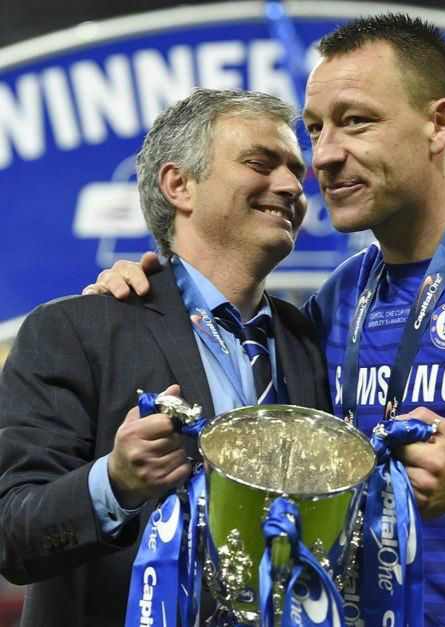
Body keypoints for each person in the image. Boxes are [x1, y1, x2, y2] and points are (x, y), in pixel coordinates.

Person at [89, 13, 445, 626]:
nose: (324, 155)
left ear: (439, 124)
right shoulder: (335, 302)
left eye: (356, 121)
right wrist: (149, 284)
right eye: (316, 128)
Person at [0, 88, 331, 627]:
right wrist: (114, 484)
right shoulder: (76, 329)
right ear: (179, 185)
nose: (293, 186)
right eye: (260, 163)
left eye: (296, 170)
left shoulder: (308, 341)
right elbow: (12, 536)